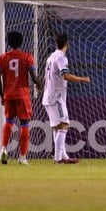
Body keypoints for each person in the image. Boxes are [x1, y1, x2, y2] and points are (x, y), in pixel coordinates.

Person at [42, 33, 90, 164]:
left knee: (57, 126)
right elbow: (65, 76)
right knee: (64, 125)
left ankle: (63, 156)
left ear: (56, 44)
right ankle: (58, 158)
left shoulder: (50, 57)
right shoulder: (61, 58)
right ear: (67, 44)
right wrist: (82, 79)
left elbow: (46, 77)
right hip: (56, 97)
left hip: (48, 95)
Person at [0, 31, 42, 165]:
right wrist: (39, 84)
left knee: (9, 121)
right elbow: (33, 77)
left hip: (9, 94)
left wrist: (1, 94)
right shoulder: (27, 57)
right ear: (21, 42)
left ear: (8, 42)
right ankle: (22, 157)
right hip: (23, 95)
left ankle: (4, 148)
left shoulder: (2, 58)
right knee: (25, 124)